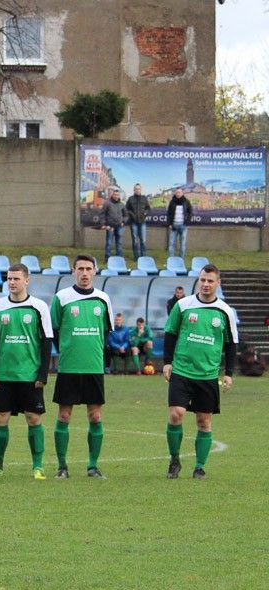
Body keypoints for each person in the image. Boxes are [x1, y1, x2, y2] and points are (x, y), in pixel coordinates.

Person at [162, 265, 237, 479]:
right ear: (198, 281)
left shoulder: (224, 311)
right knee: (176, 414)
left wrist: (229, 373)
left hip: (207, 375)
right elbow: (170, 333)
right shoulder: (183, 305)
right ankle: (175, 459)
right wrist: (167, 362)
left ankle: (199, 467)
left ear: (218, 283)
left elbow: (232, 344)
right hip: (182, 371)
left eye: (210, 281)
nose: (205, 284)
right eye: (202, 280)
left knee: (204, 421)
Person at [0, 264, 52, 480]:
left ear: (27, 281)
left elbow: (46, 342)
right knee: (0, 418)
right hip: (3, 375)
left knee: (34, 418)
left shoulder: (39, 307)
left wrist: (42, 375)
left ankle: (38, 467)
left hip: (29, 375)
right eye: (9, 278)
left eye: (16, 279)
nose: (12, 282)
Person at [50, 254, 114, 479]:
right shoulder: (61, 298)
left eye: (89, 268)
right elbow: (54, 330)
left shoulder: (103, 299)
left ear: (95, 271)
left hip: (93, 367)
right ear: (73, 271)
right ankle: (62, 467)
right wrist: (67, 349)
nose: (85, 273)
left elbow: (106, 333)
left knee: (95, 416)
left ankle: (92, 466)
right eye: (81, 269)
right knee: (64, 416)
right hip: (69, 367)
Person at [125, 183, 151, 259]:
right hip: (133, 223)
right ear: (134, 190)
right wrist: (131, 214)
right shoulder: (130, 199)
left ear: (141, 190)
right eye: (136, 189)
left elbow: (148, 208)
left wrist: (145, 213)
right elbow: (126, 209)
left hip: (142, 223)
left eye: (138, 189)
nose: (137, 190)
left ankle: (143, 257)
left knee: (143, 241)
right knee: (135, 241)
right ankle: (136, 257)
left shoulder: (144, 198)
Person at [166, 188, 193, 260]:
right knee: (171, 244)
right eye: (177, 192)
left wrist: (187, 222)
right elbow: (168, 213)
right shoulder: (172, 202)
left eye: (179, 192)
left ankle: (181, 260)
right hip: (173, 226)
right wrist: (169, 224)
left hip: (183, 226)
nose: (178, 194)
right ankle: (171, 260)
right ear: (175, 193)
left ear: (182, 193)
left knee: (183, 244)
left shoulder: (186, 202)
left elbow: (190, 212)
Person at [100, 188, 126, 261]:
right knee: (109, 243)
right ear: (112, 195)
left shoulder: (122, 205)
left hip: (120, 227)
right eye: (115, 194)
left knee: (119, 243)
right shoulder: (107, 204)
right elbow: (102, 215)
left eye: (117, 195)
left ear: (119, 196)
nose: (116, 196)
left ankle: (119, 259)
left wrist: (123, 222)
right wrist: (104, 224)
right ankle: (107, 259)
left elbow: (126, 215)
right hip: (110, 227)